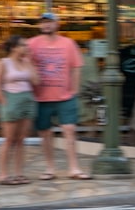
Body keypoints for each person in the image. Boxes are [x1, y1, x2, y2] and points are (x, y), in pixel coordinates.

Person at [27, 12, 92, 180]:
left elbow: (77, 67)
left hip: (65, 96)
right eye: (43, 22)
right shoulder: (32, 44)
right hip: (41, 97)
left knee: (69, 130)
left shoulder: (68, 43)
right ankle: (50, 168)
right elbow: (22, 63)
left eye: (50, 22)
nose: (46, 25)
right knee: (45, 133)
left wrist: (75, 91)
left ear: (57, 24)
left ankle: (74, 168)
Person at [0, 35, 39, 185]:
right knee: (9, 139)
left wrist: (30, 63)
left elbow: (37, 81)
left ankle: (19, 174)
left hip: (27, 100)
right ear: (14, 48)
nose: (26, 48)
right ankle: (3, 175)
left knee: (21, 140)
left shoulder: (26, 62)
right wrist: (4, 102)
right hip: (11, 99)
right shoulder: (4, 63)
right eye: (23, 45)